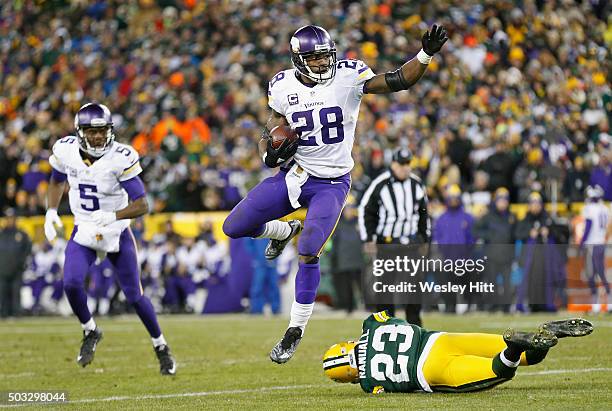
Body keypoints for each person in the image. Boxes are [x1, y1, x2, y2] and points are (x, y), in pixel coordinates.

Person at [222, 24, 448, 363]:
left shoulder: (348, 76)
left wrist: (425, 55)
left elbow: (398, 80)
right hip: (294, 174)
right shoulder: (282, 85)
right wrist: (268, 150)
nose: (322, 63)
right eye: (313, 58)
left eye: (325, 56)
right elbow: (273, 123)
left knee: (310, 249)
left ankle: (294, 330)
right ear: (298, 60)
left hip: (330, 182)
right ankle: (283, 230)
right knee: (233, 226)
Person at [44, 103, 176, 375]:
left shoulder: (121, 157)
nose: (99, 137)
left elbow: (142, 204)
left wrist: (114, 215)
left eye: (103, 130)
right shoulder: (65, 150)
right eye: (92, 132)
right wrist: (51, 211)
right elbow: (57, 180)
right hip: (84, 227)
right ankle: (90, 330)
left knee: (134, 295)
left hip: (116, 231)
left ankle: (161, 346)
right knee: (70, 282)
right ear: (80, 132)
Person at [322, 311, 592, 393]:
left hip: (429, 370)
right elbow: (390, 317)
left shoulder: (369, 384)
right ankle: (549, 331)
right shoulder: (371, 323)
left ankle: (514, 345)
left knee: (497, 372)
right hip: (440, 340)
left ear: (350, 376)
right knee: (527, 356)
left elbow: (382, 392)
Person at [358, 148, 430, 325]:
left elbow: (423, 213)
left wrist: (425, 238)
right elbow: (366, 210)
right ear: (393, 163)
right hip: (387, 244)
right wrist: (368, 238)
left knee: (414, 288)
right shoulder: (380, 183)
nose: (405, 168)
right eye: (402, 164)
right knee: (385, 288)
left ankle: (415, 327)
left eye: (408, 164)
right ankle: (384, 327)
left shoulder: (417, 184)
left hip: (411, 243)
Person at [579, 185, 610, 311]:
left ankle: (595, 303)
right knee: (601, 272)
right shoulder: (604, 208)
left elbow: (589, 225)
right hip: (601, 242)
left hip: (592, 243)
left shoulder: (590, 208)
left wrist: (582, 241)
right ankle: (608, 301)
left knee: (591, 274)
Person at [0, 208, 32, 317]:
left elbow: (28, 249)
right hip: (2, 270)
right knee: (2, 293)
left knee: (15, 293)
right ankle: (3, 314)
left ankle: (16, 313)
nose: (10, 221)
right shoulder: (1, 234)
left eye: (12, 218)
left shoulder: (22, 234)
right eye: (8, 218)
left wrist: (22, 262)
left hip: (17, 269)